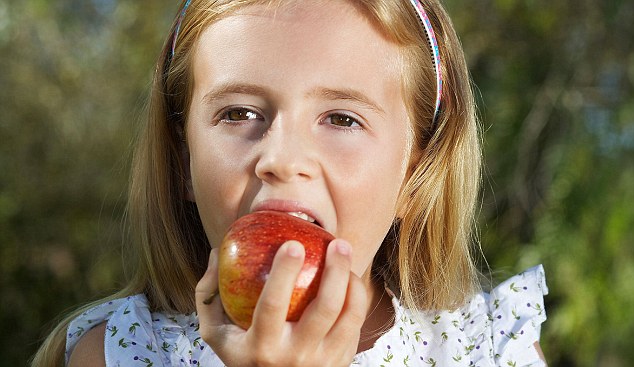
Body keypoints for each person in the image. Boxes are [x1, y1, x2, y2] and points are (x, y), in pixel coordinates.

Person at [32, 0, 549, 366]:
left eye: (342, 119)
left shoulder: (490, 350)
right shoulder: (122, 354)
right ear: (181, 159)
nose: (280, 158)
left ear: (415, 173)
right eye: (238, 113)